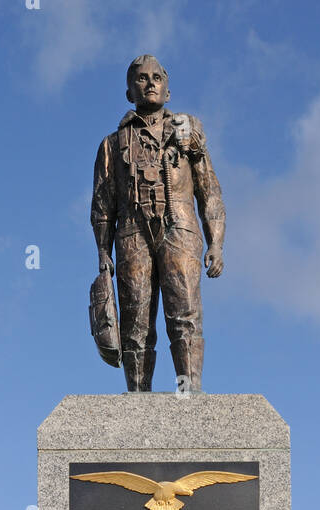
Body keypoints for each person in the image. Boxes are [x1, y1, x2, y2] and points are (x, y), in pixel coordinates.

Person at [91, 55, 225, 392]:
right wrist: (102, 252)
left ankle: (188, 394)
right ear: (128, 91)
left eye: (156, 77)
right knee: (136, 324)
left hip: (179, 228)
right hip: (132, 232)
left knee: (185, 316)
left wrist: (217, 243)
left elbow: (209, 190)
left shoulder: (188, 132)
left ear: (167, 90)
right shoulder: (112, 144)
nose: (149, 82)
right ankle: (139, 399)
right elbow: (103, 204)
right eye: (141, 78)